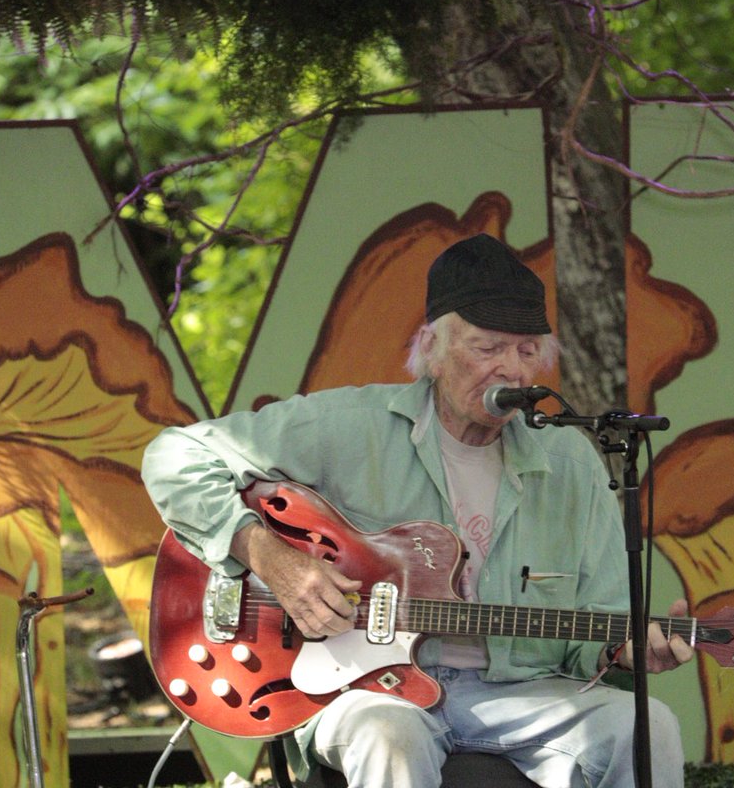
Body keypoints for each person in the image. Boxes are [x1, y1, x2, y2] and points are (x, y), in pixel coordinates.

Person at [141, 233, 693, 788]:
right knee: (390, 734)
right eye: (488, 348)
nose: (512, 370)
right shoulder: (351, 425)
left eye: (528, 351)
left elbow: (599, 621)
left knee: (646, 728)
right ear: (431, 348)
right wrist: (270, 559)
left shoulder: (568, 460)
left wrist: (625, 650)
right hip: (361, 690)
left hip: (516, 692)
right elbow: (175, 456)